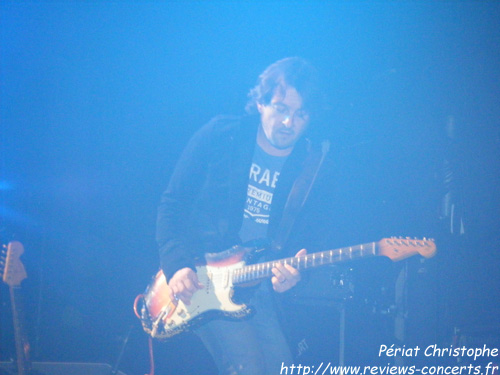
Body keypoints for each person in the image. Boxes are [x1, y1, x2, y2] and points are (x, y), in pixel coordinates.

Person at [156, 57, 329, 375]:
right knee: (247, 366)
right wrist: (177, 264)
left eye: (300, 114)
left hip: (256, 284)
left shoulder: (309, 167)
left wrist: (296, 273)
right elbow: (173, 203)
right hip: (203, 277)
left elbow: (304, 239)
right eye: (280, 108)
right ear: (261, 103)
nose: (289, 122)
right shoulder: (222, 135)